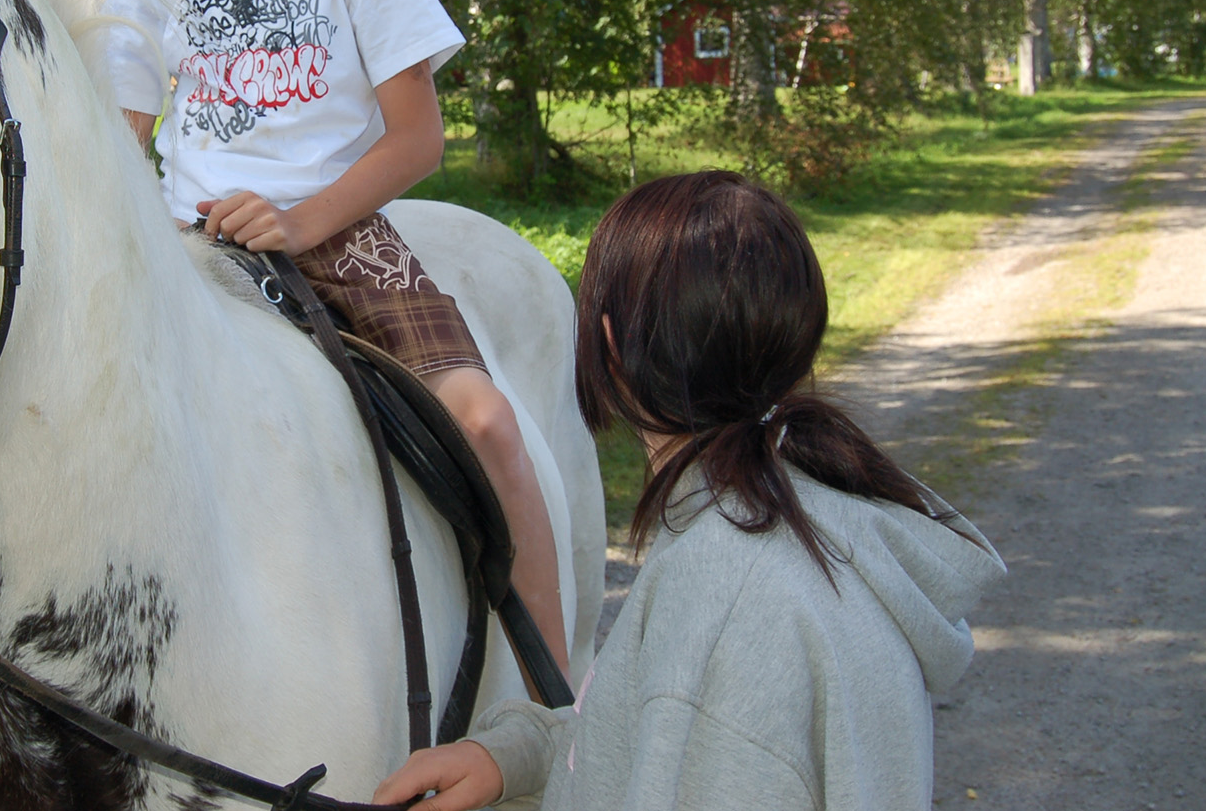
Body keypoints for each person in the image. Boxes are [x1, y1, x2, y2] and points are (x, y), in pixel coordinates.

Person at [101, 0, 571, 682]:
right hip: (196, 248)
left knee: (486, 420)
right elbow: (114, 143)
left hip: (341, 235)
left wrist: (304, 219)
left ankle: (549, 688)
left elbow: (417, 137)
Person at [373, 170, 1006, 809]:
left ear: (611, 348)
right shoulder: (816, 521)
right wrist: (520, 756)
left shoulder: (724, 589)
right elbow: (674, 740)